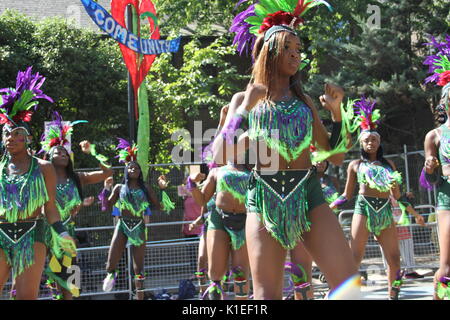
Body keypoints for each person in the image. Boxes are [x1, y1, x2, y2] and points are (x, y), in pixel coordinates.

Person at [215, 0, 360, 300]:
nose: (296, 52)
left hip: (308, 195)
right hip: (264, 198)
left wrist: (338, 115)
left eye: (298, 47)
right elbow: (218, 155)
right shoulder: (244, 98)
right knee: (266, 297)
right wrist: (243, 110)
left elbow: (334, 155)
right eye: (287, 46)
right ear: (268, 52)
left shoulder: (305, 101)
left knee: (349, 288)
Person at [0, 67, 75, 299]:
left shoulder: (43, 168)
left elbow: (50, 208)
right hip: (0, 233)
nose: (10, 138)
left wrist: (62, 234)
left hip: (31, 234)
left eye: (16, 133)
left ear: (28, 138)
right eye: (6, 133)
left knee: (25, 296)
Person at [330, 96, 405, 299]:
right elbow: (347, 194)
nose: (370, 143)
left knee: (395, 258)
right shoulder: (355, 165)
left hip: (385, 210)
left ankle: (394, 294)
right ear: (361, 143)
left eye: (373, 140)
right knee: (354, 257)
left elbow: (396, 194)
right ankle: (348, 295)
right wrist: (330, 207)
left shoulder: (389, 165)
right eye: (366, 140)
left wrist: (411, 209)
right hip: (363, 209)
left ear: (379, 142)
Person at [39, 111, 113, 300]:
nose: (63, 154)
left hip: (68, 232)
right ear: (49, 156)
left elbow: (107, 172)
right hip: (46, 231)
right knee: (51, 273)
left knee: (71, 277)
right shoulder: (41, 177)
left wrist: (93, 152)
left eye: (65, 152)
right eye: (58, 152)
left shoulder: (77, 178)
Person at [101, 138, 168, 300]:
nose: (133, 168)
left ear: (140, 172)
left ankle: (140, 296)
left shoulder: (146, 189)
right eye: (130, 166)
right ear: (126, 170)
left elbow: (160, 207)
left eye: (136, 167)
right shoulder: (119, 188)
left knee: (139, 267)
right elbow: (106, 206)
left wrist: (162, 189)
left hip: (139, 226)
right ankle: (111, 275)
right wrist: (106, 188)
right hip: (122, 225)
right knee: (111, 263)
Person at [420, 33, 450, 300]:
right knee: (447, 266)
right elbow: (429, 182)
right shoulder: (435, 135)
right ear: (444, 101)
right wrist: (429, 167)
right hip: (447, 198)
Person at [381, 193, 426, 280]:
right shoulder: (378, 195)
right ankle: (390, 272)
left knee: (406, 245)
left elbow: (402, 202)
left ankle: (410, 271)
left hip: (400, 224)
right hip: (386, 225)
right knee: (387, 250)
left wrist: (405, 196)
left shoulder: (395, 194)